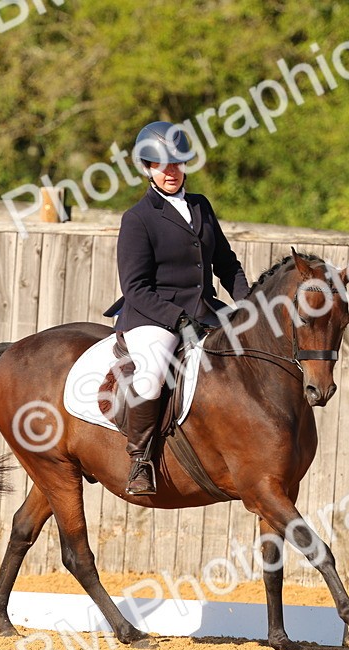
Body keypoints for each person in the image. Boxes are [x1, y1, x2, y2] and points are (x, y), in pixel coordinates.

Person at [103, 121, 251, 496]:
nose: (170, 172)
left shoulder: (200, 206)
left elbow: (226, 263)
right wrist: (177, 319)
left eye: (176, 164)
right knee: (152, 374)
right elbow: (135, 288)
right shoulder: (138, 218)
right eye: (161, 165)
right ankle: (140, 460)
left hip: (203, 310)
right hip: (154, 317)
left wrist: (251, 305)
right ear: (147, 168)